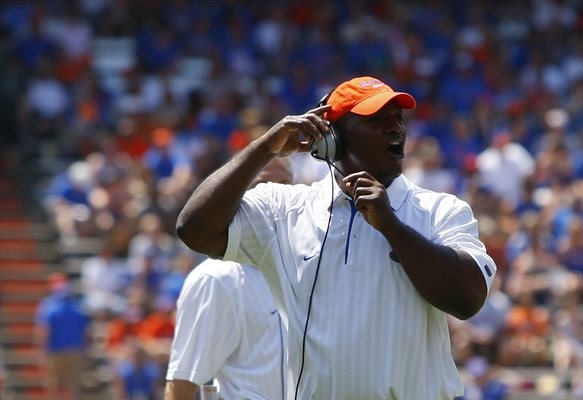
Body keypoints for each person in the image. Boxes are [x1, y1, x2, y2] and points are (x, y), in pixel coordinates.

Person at [175, 76, 497, 399]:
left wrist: (392, 227)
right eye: (378, 119)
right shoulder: (285, 209)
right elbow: (194, 228)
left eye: (398, 118)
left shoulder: (440, 209)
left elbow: (468, 298)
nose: (396, 128)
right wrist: (266, 147)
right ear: (331, 137)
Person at [165, 158, 292, 400]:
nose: (275, 194)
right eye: (262, 184)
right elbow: (181, 385)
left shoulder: (307, 268)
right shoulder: (216, 278)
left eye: (286, 184)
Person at [34, 272, 91, 400]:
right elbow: (86, 332)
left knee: (55, 389)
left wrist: (40, 350)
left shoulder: (48, 305)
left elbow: (43, 330)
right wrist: (85, 350)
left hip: (56, 352)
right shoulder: (78, 305)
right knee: (73, 390)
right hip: (73, 351)